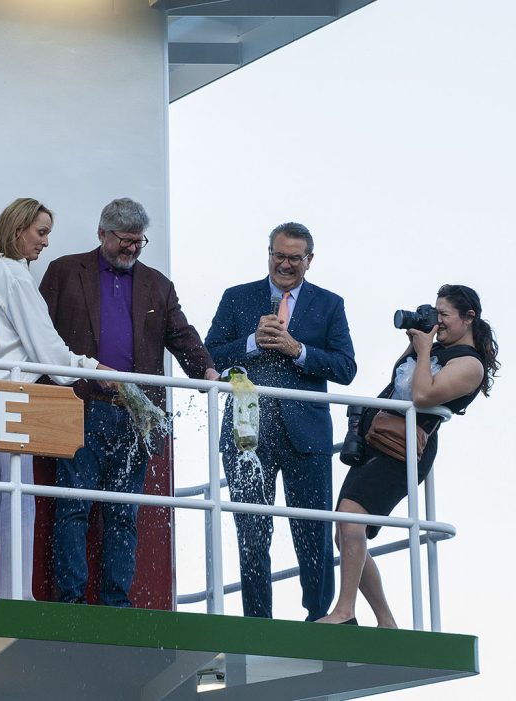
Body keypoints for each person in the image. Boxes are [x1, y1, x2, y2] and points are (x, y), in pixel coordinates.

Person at [40, 197, 219, 607]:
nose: (132, 249)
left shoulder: (158, 284)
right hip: (79, 407)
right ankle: (68, 600)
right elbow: (38, 334)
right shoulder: (65, 271)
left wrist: (208, 373)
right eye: (124, 241)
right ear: (102, 233)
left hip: (137, 418)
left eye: (139, 242)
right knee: (74, 507)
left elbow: (181, 335)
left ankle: (115, 603)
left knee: (124, 515)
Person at [0, 197, 109, 600]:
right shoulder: (15, 277)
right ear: (18, 229)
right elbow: (45, 345)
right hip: (11, 395)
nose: (44, 243)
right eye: (40, 233)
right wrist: (92, 369)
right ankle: (15, 594)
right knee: (18, 497)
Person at [319, 284, 498, 627]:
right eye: (436, 313)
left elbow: (421, 395)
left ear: (469, 317)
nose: (439, 321)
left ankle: (344, 611)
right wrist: (419, 342)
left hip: (402, 453)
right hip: (375, 440)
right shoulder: (430, 347)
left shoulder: (469, 365)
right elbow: (398, 381)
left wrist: (425, 347)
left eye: (444, 315)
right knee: (345, 531)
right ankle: (385, 620)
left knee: (350, 518)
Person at [204, 222, 356, 621]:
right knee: (252, 534)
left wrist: (299, 349)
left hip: (307, 435)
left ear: (310, 260)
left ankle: (318, 618)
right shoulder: (237, 297)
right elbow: (209, 357)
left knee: (314, 533)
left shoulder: (330, 304)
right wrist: (252, 342)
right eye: (279, 256)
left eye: (294, 258)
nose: (285, 264)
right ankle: (258, 622)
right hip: (246, 434)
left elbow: (345, 367)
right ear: (268, 252)